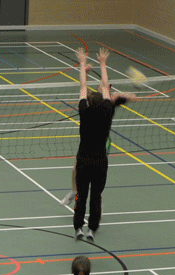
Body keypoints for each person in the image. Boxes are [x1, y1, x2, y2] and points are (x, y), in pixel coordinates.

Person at [67, 47, 137, 242]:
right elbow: (106, 86)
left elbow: (82, 87)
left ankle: (79, 228)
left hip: (83, 161)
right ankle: (92, 230)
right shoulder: (108, 110)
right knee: (96, 196)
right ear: (105, 100)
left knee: (81, 195)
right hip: (99, 162)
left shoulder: (84, 111)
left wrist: (82, 63)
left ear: (89, 101)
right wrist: (103, 63)